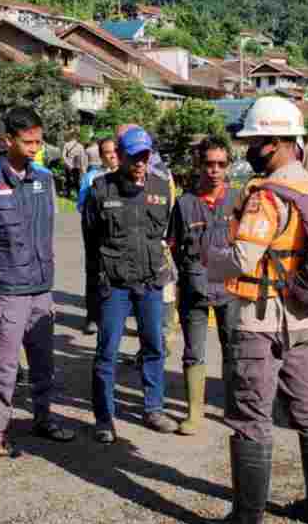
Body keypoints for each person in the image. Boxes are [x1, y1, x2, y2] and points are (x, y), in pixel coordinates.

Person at [201, 96, 308, 524]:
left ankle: (247, 523)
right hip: (306, 316)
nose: (249, 149)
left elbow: (243, 258)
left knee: (250, 418)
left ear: (277, 143)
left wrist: (207, 258)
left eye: (256, 141)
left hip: (260, 321)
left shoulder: (266, 196)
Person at [0, 106, 76, 456]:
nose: (35, 147)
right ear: (9, 140)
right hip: (6, 289)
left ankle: (44, 417)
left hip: (40, 287)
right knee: (2, 366)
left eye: (39, 141)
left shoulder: (45, 179)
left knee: (44, 362)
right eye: (28, 141)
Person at [84, 126, 179, 441]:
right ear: (120, 156)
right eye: (133, 156)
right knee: (107, 351)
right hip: (114, 285)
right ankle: (104, 418)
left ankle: (153, 409)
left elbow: (166, 235)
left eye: (145, 156)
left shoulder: (162, 187)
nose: (140, 162)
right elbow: (90, 244)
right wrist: (93, 293)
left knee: (154, 346)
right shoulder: (100, 190)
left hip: (150, 282)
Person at [167, 137, 238, 436]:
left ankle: (235, 410)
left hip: (232, 289)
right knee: (193, 352)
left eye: (221, 164)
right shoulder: (184, 204)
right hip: (194, 287)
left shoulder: (239, 201)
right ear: (199, 165)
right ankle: (194, 413)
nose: (215, 170)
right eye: (209, 163)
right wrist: (190, 273)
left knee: (234, 349)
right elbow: (173, 245)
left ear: (229, 166)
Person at [77, 132, 120, 335]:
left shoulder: (128, 175)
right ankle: (93, 317)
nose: (111, 156)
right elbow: (82, 207)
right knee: (94, 273)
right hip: (95, 232)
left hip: (119, 233)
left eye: (114, 152)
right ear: (101, 156)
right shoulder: (92, 177)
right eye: (107, 153)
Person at [61, 125, 87, 198]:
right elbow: (82, 158)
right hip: (76, 166)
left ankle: (68, 194)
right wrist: (82, 168)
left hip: (68, 166)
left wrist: (68, 163)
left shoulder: (66, 144)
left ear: (71, 137)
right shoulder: (80, 146)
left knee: (68, 180)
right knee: (76, 181)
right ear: (77, 137)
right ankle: (79, 195)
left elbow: (63, 156)